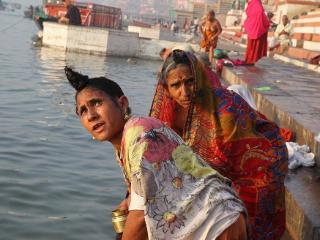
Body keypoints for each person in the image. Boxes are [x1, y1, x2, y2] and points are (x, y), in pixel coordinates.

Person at [65, 66, 248, 240]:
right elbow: (146, 191)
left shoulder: (141, 133)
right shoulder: (126, 142)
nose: (91, 115)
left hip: (216, 225)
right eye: (82, 111)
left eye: (96, 103)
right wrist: (129, 201)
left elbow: (139, 221)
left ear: (122, 103)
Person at [150, 50, 288, 240]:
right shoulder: (167, 114)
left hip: (258, 166)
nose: (185, 91)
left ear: (199, 78)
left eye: (190, 81)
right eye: (176, 85)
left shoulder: (224, 106)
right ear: (167, 89)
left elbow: (223, 158)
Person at [243, 0, 269, 65]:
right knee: (252, 45)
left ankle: (250, 60)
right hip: (254, 26)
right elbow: (249, 13)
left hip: (255, 26)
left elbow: (259, 12)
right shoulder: (254, 4)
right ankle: (250, 60)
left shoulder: (255, 4)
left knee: (252, 45)